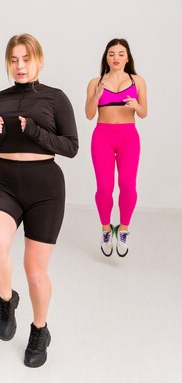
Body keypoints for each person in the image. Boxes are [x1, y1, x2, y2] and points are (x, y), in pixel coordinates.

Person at [0, 34, 78, 367]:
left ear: (39, 60)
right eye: (13, 60)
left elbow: (71, 147)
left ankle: (40, 330)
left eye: (26, 59)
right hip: (5, 180)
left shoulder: (55, 98)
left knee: (35, 271)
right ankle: (7, 301)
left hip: (45, 187)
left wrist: (35, 131)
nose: (20, 66)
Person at [85, 38, 147, 257]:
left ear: (127, 57)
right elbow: (89, 114)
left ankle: (123, 228)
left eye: (121, 53)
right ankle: (105, 229)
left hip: (128, 137)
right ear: (106, 57)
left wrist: (136, 105)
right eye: (112, 54)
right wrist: (98, 95)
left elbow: (143, 112)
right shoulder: (95, 82)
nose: (116, 58)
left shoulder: (137, 80)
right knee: (104, 188)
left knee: (128, 186)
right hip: (102, 136)